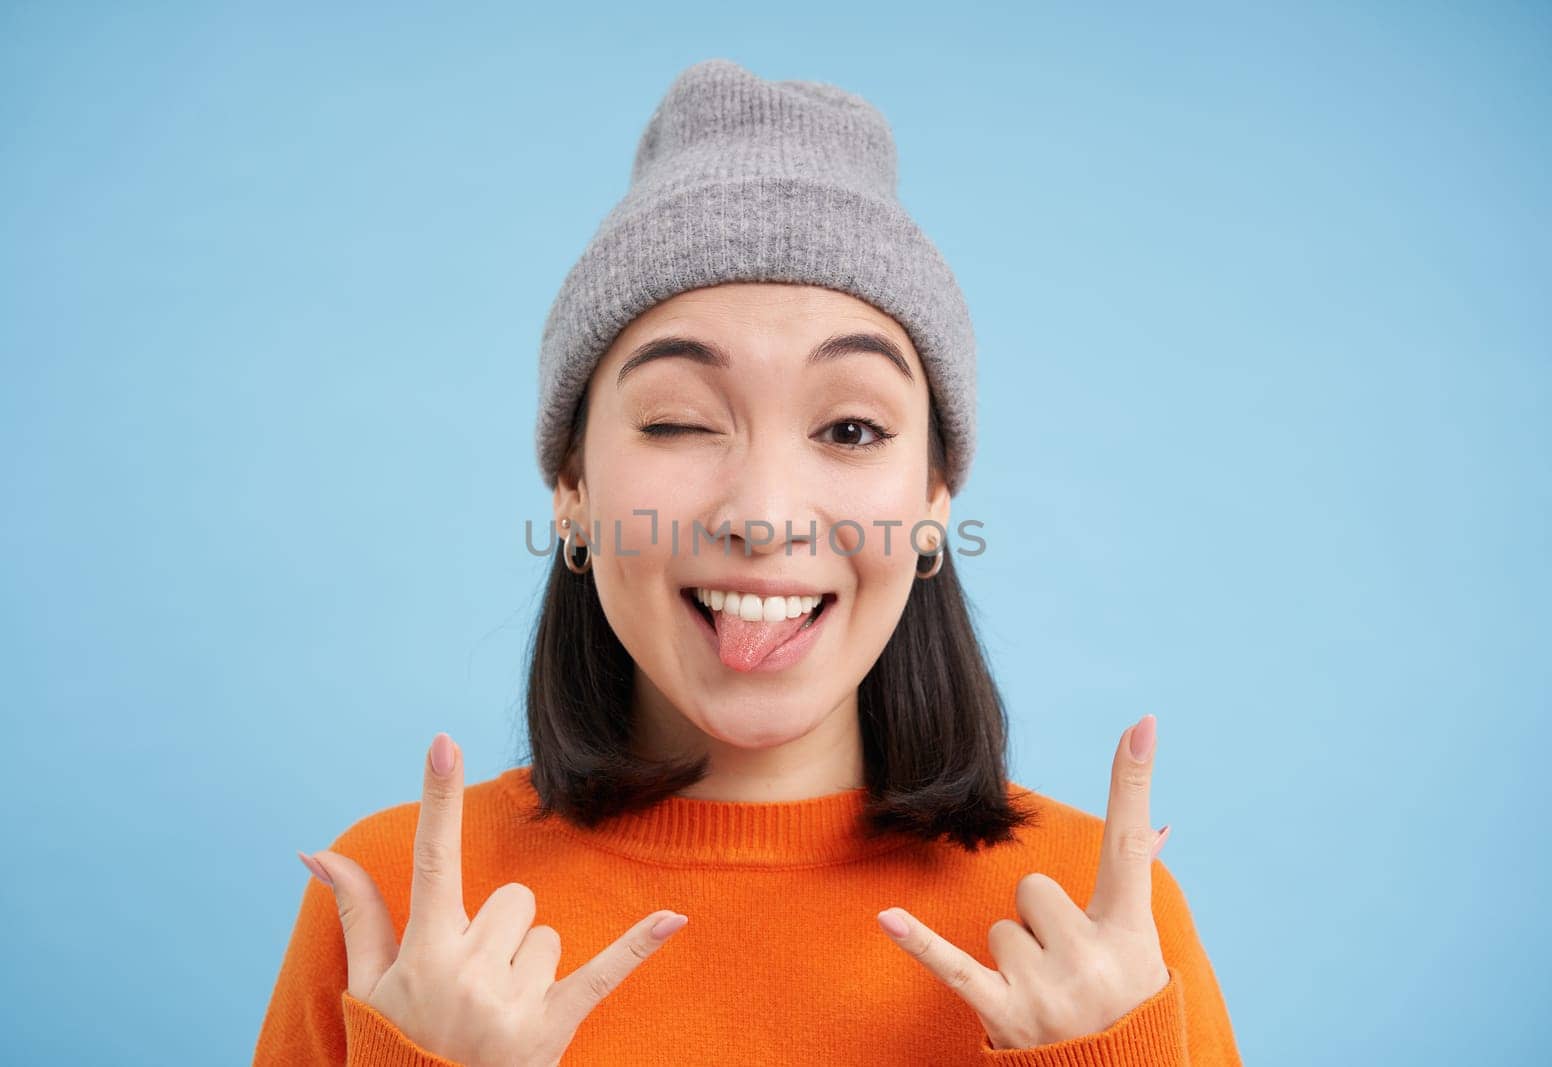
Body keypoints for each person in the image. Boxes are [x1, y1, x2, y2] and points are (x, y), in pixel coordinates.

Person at [253, 58, 1243, 1066]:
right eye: (680, 422)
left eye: (852, 428)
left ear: (936, 498)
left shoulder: (1102, 931)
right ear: (572, 486)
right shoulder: (401, 915)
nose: (765, 517)